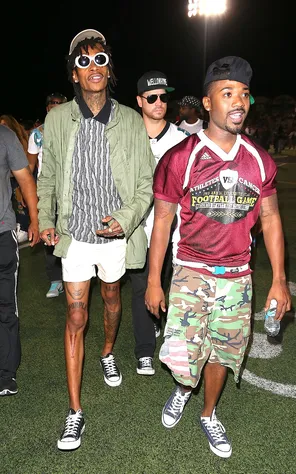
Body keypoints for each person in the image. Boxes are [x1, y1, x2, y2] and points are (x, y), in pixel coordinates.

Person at [145, 56, 291, 459]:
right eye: (227, 94)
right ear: (208, 103)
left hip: (238, 275)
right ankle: (181, 389)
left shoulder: (260, 160)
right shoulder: (181, 158)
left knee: (222, 354)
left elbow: (272, 217)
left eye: (243, 94)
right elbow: (161, 223)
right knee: (183, 355)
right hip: (191, 270)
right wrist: (154, 279)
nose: (238, 101)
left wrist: (279, 279)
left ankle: (208, 413)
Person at [37, 28, 154, 451]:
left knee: (111, 299)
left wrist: (125, 220)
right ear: (74, 74)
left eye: (100, 60)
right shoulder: (56, 119)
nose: (93, 68)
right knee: (75, 315)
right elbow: (47, 175)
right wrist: (45, 219)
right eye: (84, 62)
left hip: (114, 238)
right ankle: (75, 412)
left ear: (109, 69)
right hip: (74, 236)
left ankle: (107, 350)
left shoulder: (130, 121)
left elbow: (145, 183)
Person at [128, 71, 189, 376]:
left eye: (164, 96)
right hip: (138, 228)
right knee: (141, 286)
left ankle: (162, 329)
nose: (159, 102)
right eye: (152, 97)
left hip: (172, 231)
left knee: (168, 284)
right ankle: (144, 351)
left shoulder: (182, 140)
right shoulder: (127, 137)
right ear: (140, 101)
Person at [0, 124, 39, 396]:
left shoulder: (5, 136)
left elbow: (25, 178)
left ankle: (5, 373)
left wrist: (35, 219)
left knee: (5, 306)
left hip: (2, 232)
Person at [28, 92, 67, 298]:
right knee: (49, 234)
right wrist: (29, 196)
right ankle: (55, 280)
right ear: (47, 108)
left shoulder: (73, 129)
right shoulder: (37, 134)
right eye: (52, 103)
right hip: (48, 192)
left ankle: (78, 274)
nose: (56, 106)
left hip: (71, 190)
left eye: (60, 103)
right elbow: (30, 167)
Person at [0, 114, 30, 244]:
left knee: (20, 202)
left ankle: (23, 226)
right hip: (10, 177)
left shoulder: (15, 139)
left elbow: (24, 167)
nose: (2, 127)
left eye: (5, 124)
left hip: (18, 177)